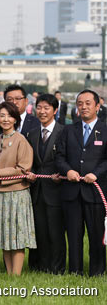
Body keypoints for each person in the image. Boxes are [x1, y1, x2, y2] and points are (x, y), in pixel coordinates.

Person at [56, 89, 107, 276]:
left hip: (95, 192)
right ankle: (75, 271)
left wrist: (96, 173)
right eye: (80, 103)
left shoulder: (105, 129)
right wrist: (67, 170)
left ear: (97, 106)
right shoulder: (69, 130)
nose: (83, 107)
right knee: (74, 236)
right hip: (72, 192)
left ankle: (97, 271)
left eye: (88, 103)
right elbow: (59, 156)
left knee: (96, 235)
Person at [0, 101, 35, 276]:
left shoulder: (21, 140)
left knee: (17, 236)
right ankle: (9, 274)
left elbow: (23, 169)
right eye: (2, 115)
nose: (5, 119)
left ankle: (16, 276)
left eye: (9, 116)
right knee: (4, 235)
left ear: (16, 119)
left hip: (17, 194)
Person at [26, 94, 66, 274]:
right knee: (39, 230)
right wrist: (29, 172)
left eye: (46, 108)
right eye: (39, 107)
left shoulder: (64, 131)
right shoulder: (31, 133)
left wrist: (63, 174)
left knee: (56, 232)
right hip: (36, 190)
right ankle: (41, 267)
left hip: (57, 190)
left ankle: (57, 268)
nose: (42, 111)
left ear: (55, 110)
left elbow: (67, 158)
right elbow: (30, 160)